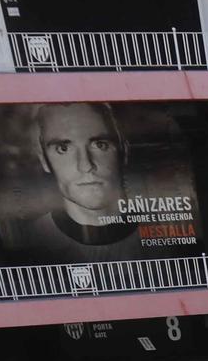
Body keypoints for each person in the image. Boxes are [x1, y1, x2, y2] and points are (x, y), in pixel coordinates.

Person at [15, 102, 145, 262]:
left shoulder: (167, 232)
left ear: (124, 152)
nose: (85, 165)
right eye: (63, 148)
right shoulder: (28, 241)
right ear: (44, 161)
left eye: (100, 145)